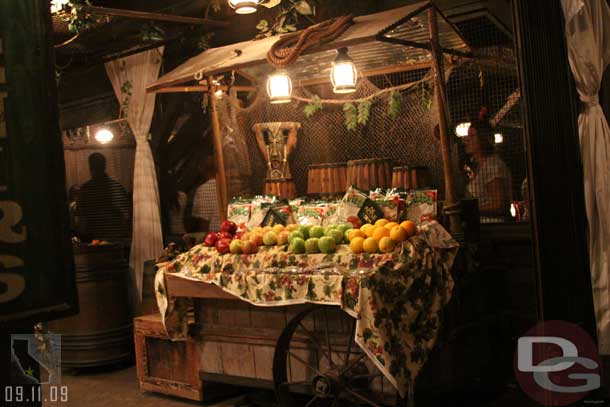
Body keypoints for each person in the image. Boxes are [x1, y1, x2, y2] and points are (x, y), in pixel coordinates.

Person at [464, 114, 513, 223]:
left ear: (483, 139)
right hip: (482, 228)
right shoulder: (478, 167)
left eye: (472, 136)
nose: (467, 140)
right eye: (467, 136)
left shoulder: (493, 166)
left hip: (495, 229)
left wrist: (469, 209)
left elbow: (500, 205)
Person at [77, 153, 131, 242]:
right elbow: (126, 215)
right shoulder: (116, 187)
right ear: (104, 166)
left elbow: (82, 218)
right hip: (113, 239)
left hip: (97, 240)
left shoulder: (86, 189)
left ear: (90, 167)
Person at [185, 153, 221, 233]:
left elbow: (203, 222)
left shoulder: (202, 190)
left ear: (201, 168)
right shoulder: (224, 187)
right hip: (227, 232)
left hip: (213, 235)